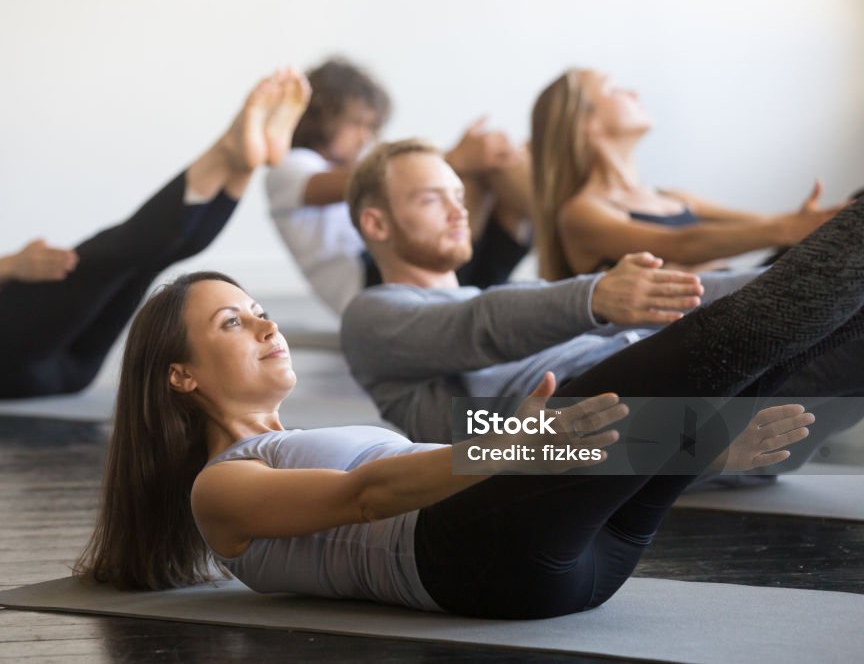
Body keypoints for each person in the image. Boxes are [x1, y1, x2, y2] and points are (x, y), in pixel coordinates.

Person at [75, 193, 864, 618]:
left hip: (565, 561)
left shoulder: (308, 438)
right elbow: (368, 495)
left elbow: (441, 462)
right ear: (179, 376)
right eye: (231, 321)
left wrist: (703, 451)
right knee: (728, 337)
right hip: (472, 559)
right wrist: (514, 443)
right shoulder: (219, 487)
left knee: (762, 365)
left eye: (258, 307)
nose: (264, 322)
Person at [0, 68, 310, 398]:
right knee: (110, 251)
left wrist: (17, 272)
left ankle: (241, 165)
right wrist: (12, 265)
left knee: (143, 258)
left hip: (69, 368)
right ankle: (226, 149)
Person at [341, 139, 771, 443]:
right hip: (612, 400)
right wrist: (595, 296)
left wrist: (772, 280)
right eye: (432, 200)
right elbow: (476, 328)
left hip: (689, 396)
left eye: (459, 195)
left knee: (822, 295)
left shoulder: (510, 300)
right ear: (376, 224)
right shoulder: (369, 318)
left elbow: (676, 295)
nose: (460, 211)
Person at [266, 57, 533, 315]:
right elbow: (366, 181)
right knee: (475, 169)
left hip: (422, 268)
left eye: (371, 126)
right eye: (357, 123)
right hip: (377, 284)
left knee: (496, 167)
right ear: (321, 117)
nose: (365, 137)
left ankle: (554, 221)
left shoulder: (353, 164)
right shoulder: (289, 166)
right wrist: (458, 158)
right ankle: (558, 224)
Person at [529, 68, 847, 280]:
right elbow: (680, 244)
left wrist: (817, 223)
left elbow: (765, 224)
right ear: (584, 123)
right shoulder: (581, 213)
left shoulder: (673, 198)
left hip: (740, 298)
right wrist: (790, 229)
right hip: (699, 333)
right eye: (614, 89)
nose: (634, 92)